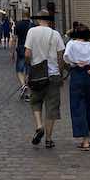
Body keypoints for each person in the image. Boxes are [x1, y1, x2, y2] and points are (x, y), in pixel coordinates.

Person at [24, 9, 65, 149]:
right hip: (53, 74)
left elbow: (27, 53)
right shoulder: (56, 34)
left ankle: (39, 126)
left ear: (38, 20)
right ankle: (48, 139)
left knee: (36, 101)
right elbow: (61, 56)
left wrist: (29, 68)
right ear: (49, 20)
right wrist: (60, 72)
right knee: (52, 107)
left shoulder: (32, 32)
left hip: (37, 75)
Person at [10, 9, 34, 99]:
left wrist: (12, 52)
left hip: (20, 49)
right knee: (28, 69)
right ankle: (27, 92)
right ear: (29, 15)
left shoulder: (18, 24)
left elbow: (14, 39)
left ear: (22, 15)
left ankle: (23, 85)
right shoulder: (33, 25)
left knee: (19, 70)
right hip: (30, 49)